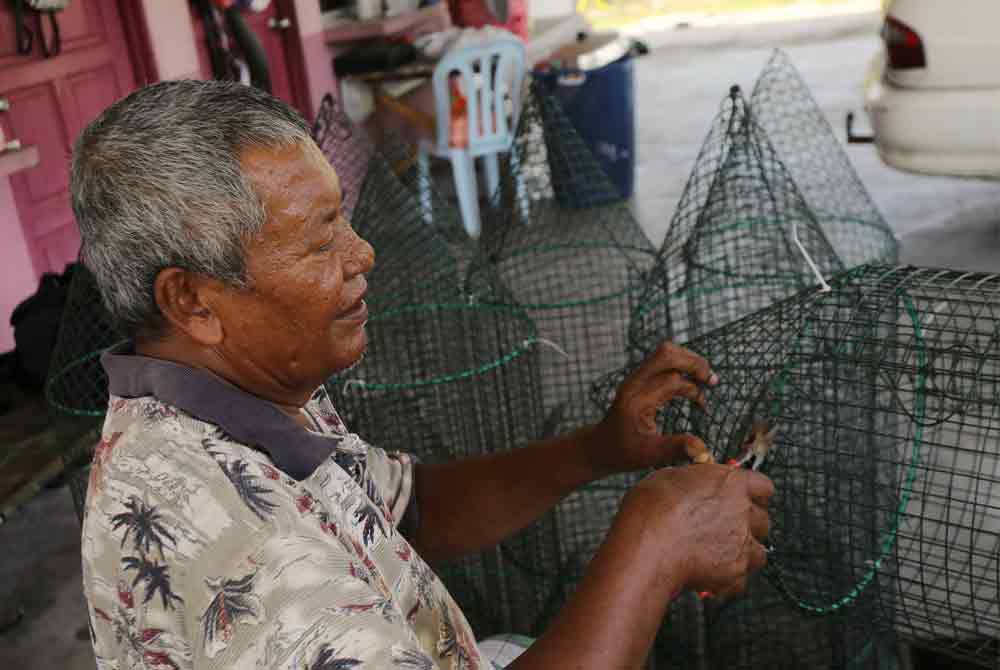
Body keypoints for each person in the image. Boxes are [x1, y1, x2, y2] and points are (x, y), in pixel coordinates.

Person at [72, 80, 773, 670]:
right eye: (319, 241)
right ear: (192, 300)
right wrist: (653, 547)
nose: (363, 253)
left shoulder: (242, 395)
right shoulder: (246, 557)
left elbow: (407, 511)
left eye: (341, 218)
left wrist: (598, 450)